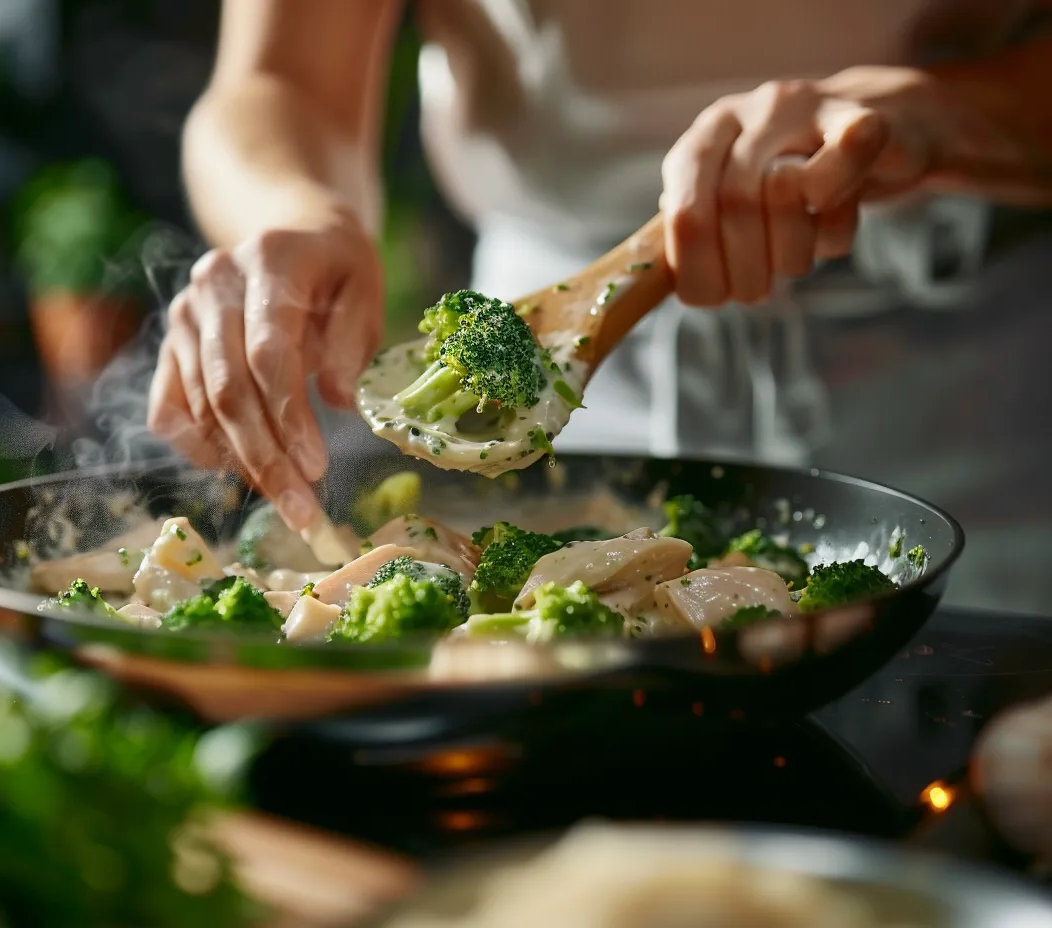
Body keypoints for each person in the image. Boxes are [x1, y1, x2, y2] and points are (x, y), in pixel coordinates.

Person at [147, 0, 1052, 535]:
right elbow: (276, 81)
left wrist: (953, 111)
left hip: (983, 396)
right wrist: (297, 213)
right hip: (559, 414)